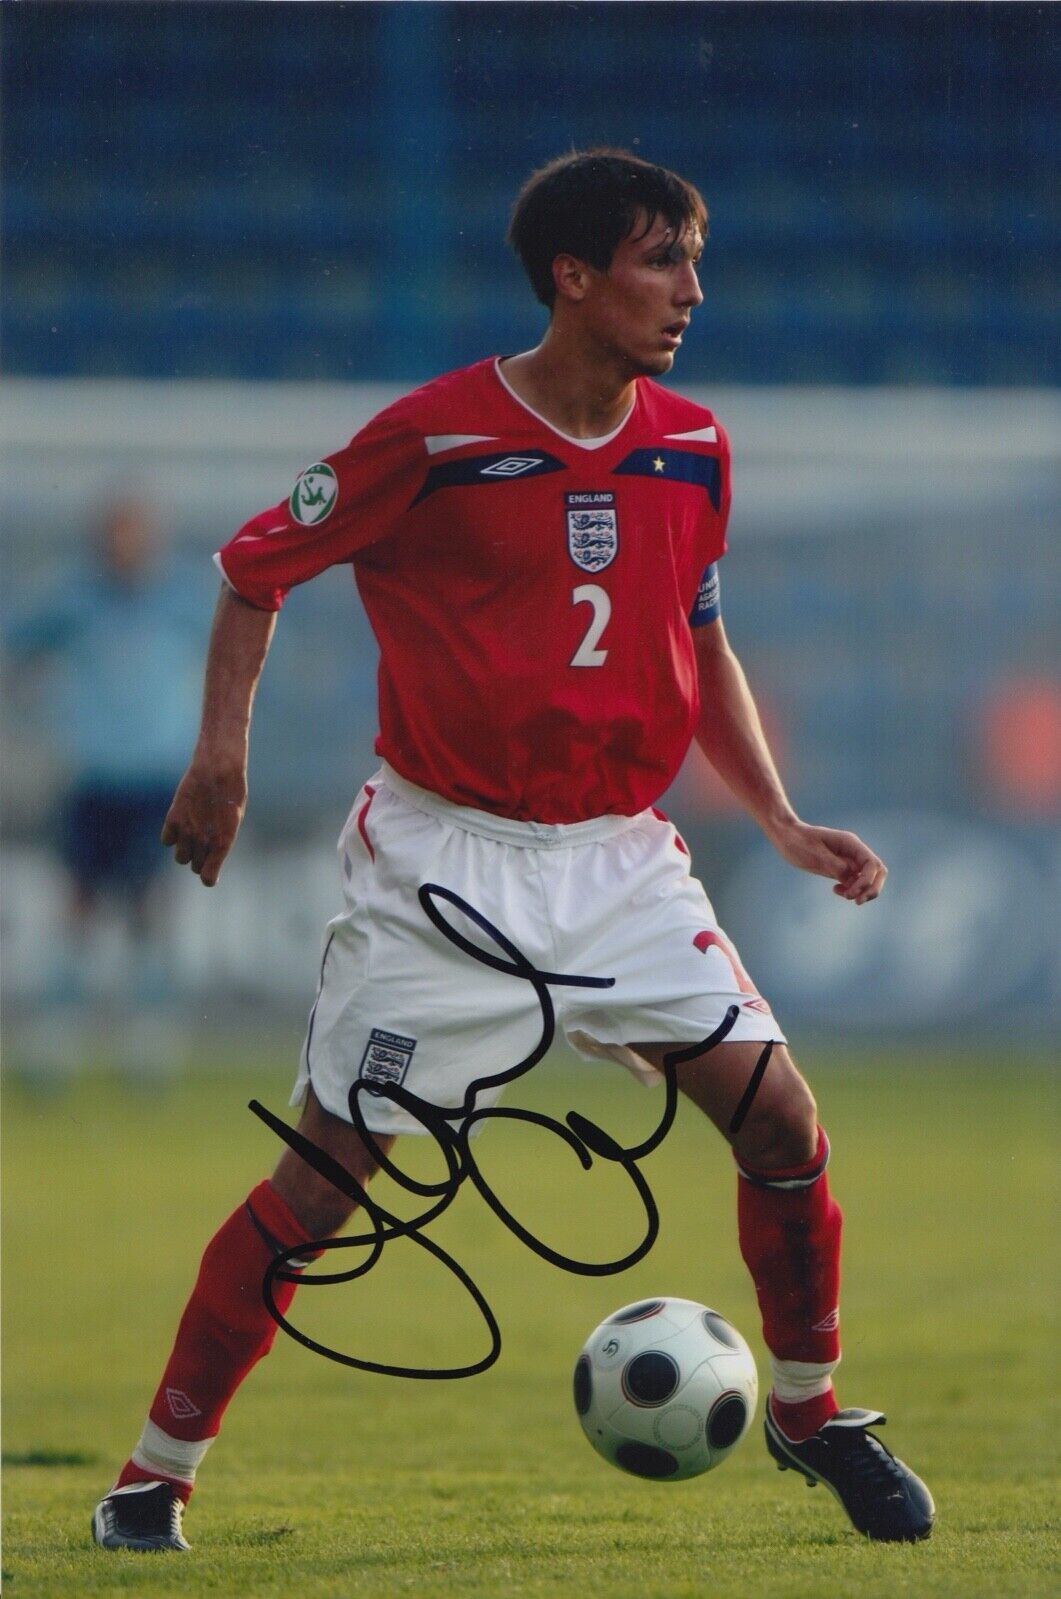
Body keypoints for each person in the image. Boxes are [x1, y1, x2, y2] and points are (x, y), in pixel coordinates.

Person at [92, 150, 933, 1551]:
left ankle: (809, 1407)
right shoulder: (429, 438)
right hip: (443, 865)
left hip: (619, 858)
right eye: (663, 261)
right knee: (320, 1186)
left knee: (782, 1122)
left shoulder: (695, 443)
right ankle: (150, 1477)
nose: (690, 291)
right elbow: (253, 567)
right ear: (573, 276)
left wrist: (778, 817)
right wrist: (218, 756)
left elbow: (695, 636)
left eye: (694, 260)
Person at [5, 496, 204, 1082]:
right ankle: (55, 1039)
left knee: (149, 906)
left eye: (133, 534)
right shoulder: (73, 601)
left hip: (156, 777)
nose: (124, 548)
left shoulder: (182, 600)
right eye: (114, 536)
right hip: (93, 774)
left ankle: (149, 1040)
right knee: (78, 904)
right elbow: (20, 651)